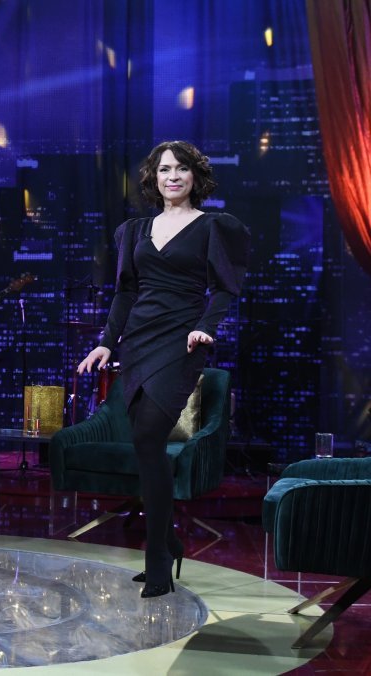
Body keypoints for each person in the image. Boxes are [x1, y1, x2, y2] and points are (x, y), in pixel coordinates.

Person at [77, 140, 249, 597]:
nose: (172, 176)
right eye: (164, 169)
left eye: (181, 169)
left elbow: (226, 288)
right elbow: (125, 293)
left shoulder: (212, 227)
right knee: (146, 444)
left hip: (181, 341)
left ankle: (156, 556)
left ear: (196, 177)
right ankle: (168, 542)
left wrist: (205, 327)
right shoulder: (134, 231)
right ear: (154, 178)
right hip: (138, 342)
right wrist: (106, 341)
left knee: (149, 436)